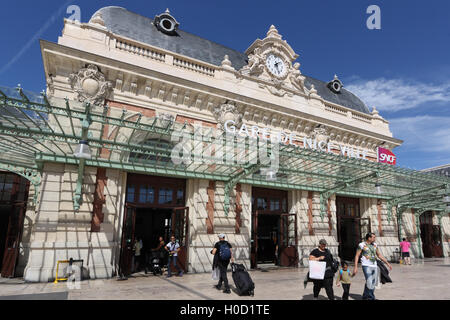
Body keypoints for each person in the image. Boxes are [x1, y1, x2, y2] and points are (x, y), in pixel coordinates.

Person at [353, 232, 392, 300]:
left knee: (373, 282)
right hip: (366, 265)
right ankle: (371, 297)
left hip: (374, 265)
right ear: (369, 238)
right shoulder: (361, 245)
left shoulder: (375, 245)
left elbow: (379, 255)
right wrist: (355, 267)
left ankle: (365, 296)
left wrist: (387, 263)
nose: (375, 238)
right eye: (373, 237)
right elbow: (357, 256)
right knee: (370, 281)